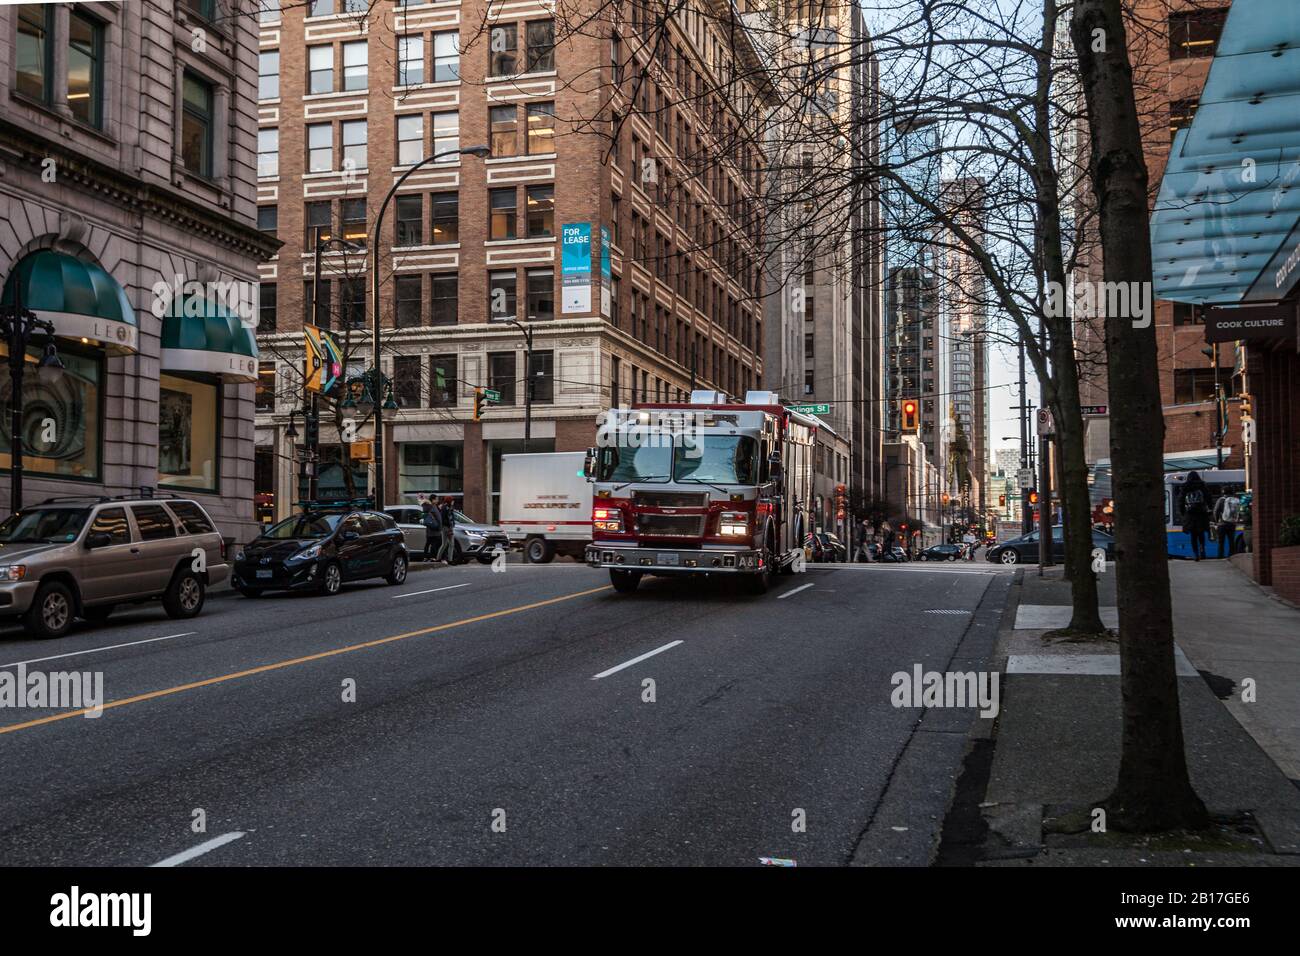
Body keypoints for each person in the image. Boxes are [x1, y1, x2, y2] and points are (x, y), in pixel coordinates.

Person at [1181, 471, 1211, 561]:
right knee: (1201, 533)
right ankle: (1202, 548)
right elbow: (1208, 497)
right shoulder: (1202, 485)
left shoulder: (1185, 486)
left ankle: (1195, 554)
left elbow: (1181, 500)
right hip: (1201, 514)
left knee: (1193, 536)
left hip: (1190, 515)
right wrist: (1209, 508)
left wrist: (1183, 513)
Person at [1212, 491, 1240, 559]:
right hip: (1232, 524)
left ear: (1223, 492)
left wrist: (1216, 521)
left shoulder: (1221, 500)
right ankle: (1232, 556)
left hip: (1222, 524)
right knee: (1231, 541)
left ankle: (1220, 556)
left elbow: (1216, 511)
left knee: (1221, 542)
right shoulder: (1235, 500)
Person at [437, 497, 456, 563]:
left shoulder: (447, 507)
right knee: (451, 544)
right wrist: (450, 526)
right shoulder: (446, 508)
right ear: (449, 501)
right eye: (452, 500)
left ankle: (438, 558)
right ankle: (450, 560)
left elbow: (451, 518)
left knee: (444, 544)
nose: (453, 502)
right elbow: (445, 518)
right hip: (447, 528)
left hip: (446, 527)